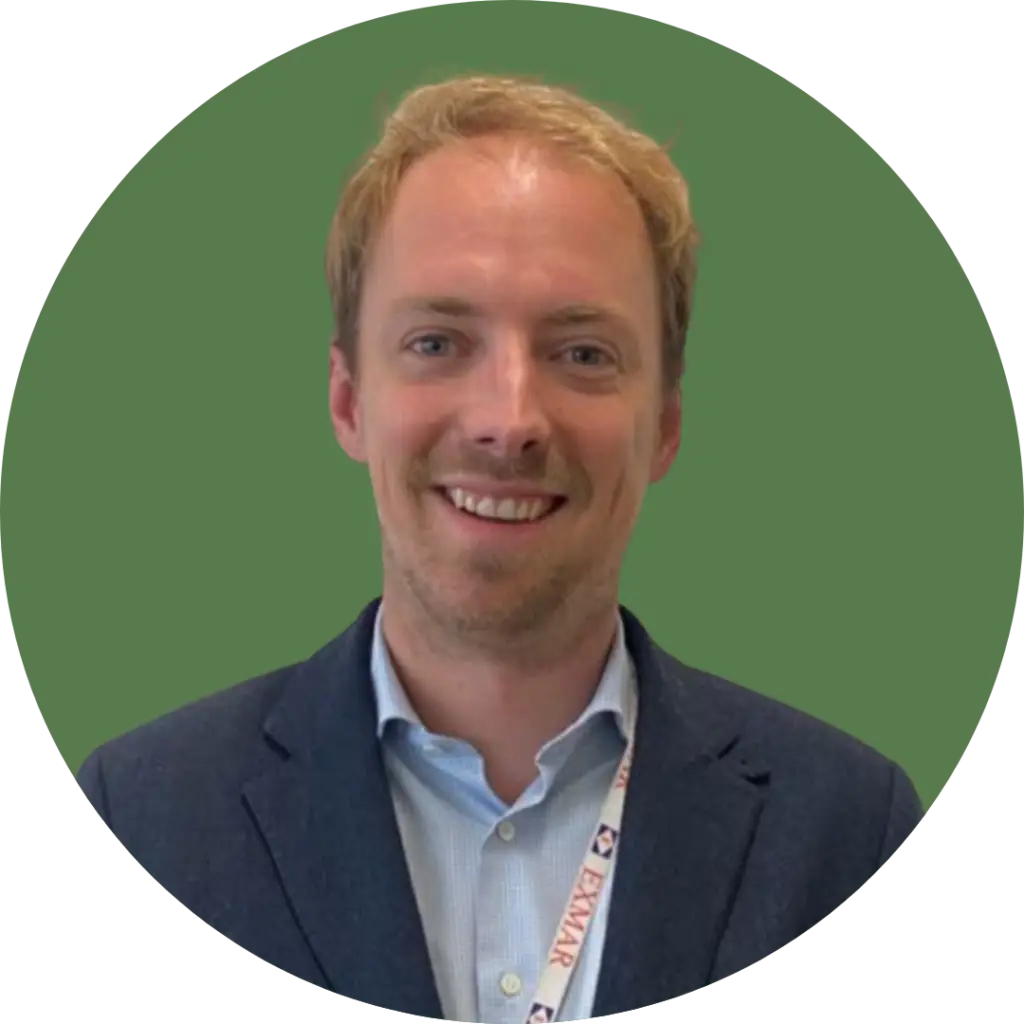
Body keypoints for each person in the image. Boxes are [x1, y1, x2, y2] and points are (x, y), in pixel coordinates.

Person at [74, 74, 925, 1023]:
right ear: (349, 401)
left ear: (666, 425)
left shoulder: (851, 833)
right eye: (438, 343)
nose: (509, 419)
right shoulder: (142, 819)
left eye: (583, 353)